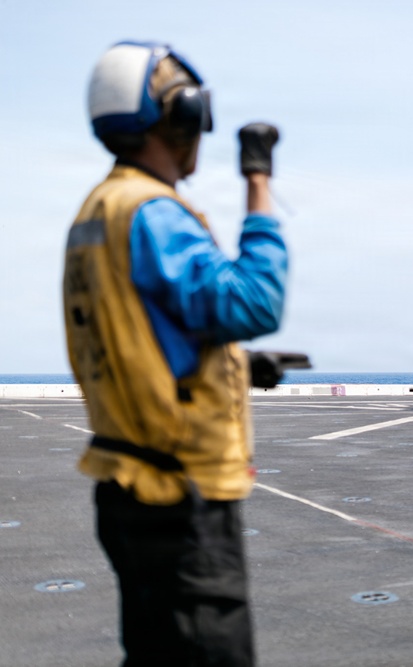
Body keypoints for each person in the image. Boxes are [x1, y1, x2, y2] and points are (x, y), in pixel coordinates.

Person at [63, 41, 288, 666]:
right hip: (178, 494)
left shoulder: (99, 209)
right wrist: (258, 181)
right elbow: (257, 301)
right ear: (180, 115)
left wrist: (236, 364)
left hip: (126, 484)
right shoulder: (154, 213)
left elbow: (137, 331)